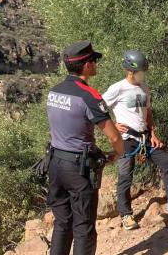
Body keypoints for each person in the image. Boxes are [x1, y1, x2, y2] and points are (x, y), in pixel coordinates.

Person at [102, 50, 168, 230]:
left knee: (167, 162)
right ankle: (126, 215)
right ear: (130, 71)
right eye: (141, 71)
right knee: (125, 176)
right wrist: (113, 125)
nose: (143, 74)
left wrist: (153, 133)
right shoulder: (118, 88)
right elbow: (98, 107)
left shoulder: (144, 88)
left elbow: (148, 112)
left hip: (144, 136)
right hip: (127, 138)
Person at [46, 40, 124, 255]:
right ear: (86, 65)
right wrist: (118, 153)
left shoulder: (54, 91)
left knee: (62, 223)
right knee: (83, 228)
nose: (96, 64)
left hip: (54, 163)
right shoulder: (89, 95)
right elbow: (113, 136)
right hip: (78, 170)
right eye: (94, 60)